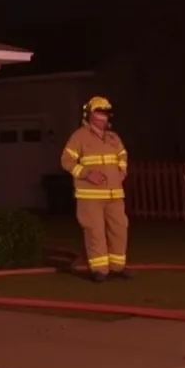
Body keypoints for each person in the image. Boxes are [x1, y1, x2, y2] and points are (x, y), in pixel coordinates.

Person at [59, 95, 131, 282]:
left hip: (115, 194)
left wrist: (122, 168)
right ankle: (99, 270)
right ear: (89, 114)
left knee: (119, 230)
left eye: (105, 113)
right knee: (95, 232)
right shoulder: (79, 137)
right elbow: (66, 161)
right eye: (99, 112)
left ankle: (117, 267)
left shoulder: (113, 137)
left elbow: (122, 154)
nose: (102, 116)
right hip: (90, 196)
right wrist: (86, 174)